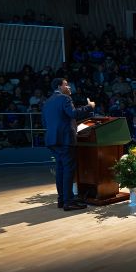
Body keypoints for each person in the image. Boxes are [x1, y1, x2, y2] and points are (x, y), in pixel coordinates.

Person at [42, 78, 95, 211]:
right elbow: (73, 113)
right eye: (67, 85)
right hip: (65, 140)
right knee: (68, 170)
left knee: (60, 170)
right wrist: (90, 106)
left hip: (52, 140)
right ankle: (69, 201)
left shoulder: (47, 102)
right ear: (60, 86)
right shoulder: (65, 99)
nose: (69, 88)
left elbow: (44, 123)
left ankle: (62, 199)